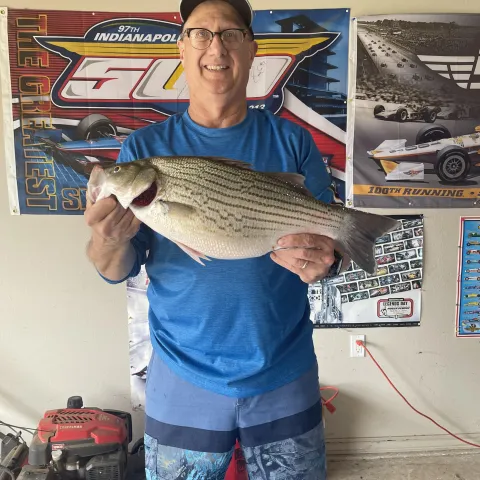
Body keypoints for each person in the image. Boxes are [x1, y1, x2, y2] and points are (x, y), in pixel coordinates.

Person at [84, 0, 345, 478]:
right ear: (182, 47)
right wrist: (106, 238)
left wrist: (327, 260)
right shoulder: (143, 149)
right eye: (200, 33)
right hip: (182, 374)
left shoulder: (293, 142)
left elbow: (331, 248)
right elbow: (115, 268)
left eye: (230, 34)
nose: (216, 47)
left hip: (283, 371)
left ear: (251, 47)